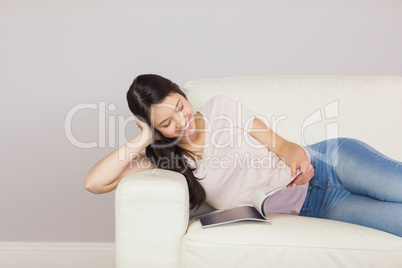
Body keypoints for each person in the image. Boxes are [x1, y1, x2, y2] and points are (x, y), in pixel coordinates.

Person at [84, 74, 402, 237]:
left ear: (181, 94)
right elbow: (94, 184)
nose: (180, 123)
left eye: (179, 107)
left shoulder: (221, 108)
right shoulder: (166, 159)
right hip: (318, 205)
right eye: (166, 123)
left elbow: (282, 145)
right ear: (155, 128)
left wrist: (298, 159)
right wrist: (142, 139)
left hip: (330, 163)